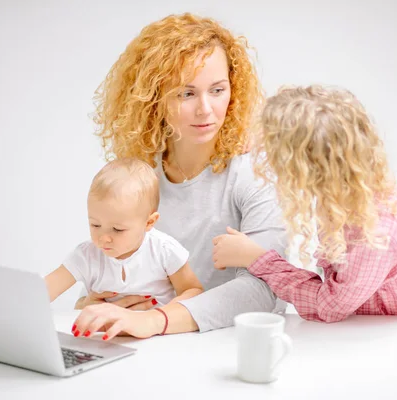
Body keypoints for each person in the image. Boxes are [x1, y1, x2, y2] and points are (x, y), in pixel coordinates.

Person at [70, 13, 286, 340]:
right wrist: (99, 301)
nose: (206, 109)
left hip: (232, 346)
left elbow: (264, 287)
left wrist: (155, 319)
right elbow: (115, 265)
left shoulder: (254, 173)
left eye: (217, 90)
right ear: (155, 98)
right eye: (186, 94)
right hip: (155, 349)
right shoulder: (140, 174)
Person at [212, 85, 397, 322]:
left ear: (307, 168)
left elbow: (328, 306)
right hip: (387, 325)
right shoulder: (357, 189)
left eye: (277, 155)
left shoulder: (373, 237)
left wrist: (257, 258)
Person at [45, 158, 204, 338]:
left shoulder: (164, 249)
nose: (103, 237)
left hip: (157, 340)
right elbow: (43, 291)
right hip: (103, 342)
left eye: (117, 229)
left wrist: (163, 315)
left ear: (149, 222)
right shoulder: (86, 255)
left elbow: (194, 292)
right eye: (95, 225)